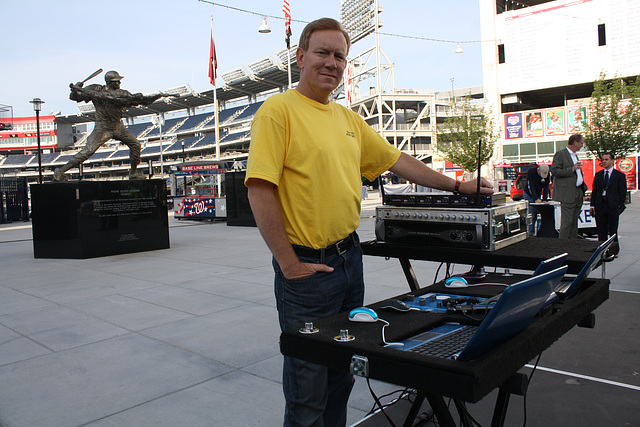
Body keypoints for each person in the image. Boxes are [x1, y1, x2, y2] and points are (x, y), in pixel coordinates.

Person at [244, 18, 493, 427]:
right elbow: (259, 191)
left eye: (340, 56)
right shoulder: (279, 111)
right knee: (308, 390)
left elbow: (397, 160)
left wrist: (457, 187)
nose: (332, 62)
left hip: (347, 261)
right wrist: (288, 264)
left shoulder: (347, 119)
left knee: (342, 376)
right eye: (323, 52)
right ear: (300, 56)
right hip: (306, 270)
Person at [53, 70, 166, 181]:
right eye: (117, 81)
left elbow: (138, 100)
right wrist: (75, 89)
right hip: (102, 127)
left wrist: (156, 96)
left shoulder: (123, 93)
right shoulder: (95, 89)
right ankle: (61, 171)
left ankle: (133, 173)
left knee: (135, 145)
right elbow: (74, 98)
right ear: (109, 82)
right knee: (88, 151)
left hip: (118, 126)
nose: (119, 83)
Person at [551, 133, 588, 239]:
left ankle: (572, 245)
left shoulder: (574, 155)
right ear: (575, 142)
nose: (582, 145)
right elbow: (554, 171)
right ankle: (562, 246)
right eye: (581, 143)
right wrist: (571, 169)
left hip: (578, 192)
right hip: (568, 194)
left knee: (574, 222)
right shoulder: (561, 154)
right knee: (567, 222)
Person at [590, 152, 627, 256]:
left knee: (612, 230)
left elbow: (622, 192)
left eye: (606, 159)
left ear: (612, 161)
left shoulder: (619, 176)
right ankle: (601, 250)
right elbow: (595, 191)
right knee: (601, 230)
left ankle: (613, 250)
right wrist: (592, 205)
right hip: (600, 206)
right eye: (603, 160)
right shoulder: (598, 175)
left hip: (612, 206)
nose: (604, 161)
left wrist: (619, 205)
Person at [523, 164, 550, 236]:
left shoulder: (547, 174)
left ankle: (540, 232)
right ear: (538, 170)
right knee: (531, 212)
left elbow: (546, 187)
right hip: (529, 194)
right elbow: (530, 186)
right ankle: (530, 233)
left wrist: (544, 199)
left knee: (540, 212)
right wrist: (536, 199)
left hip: (538, 193)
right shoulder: (531, 172)